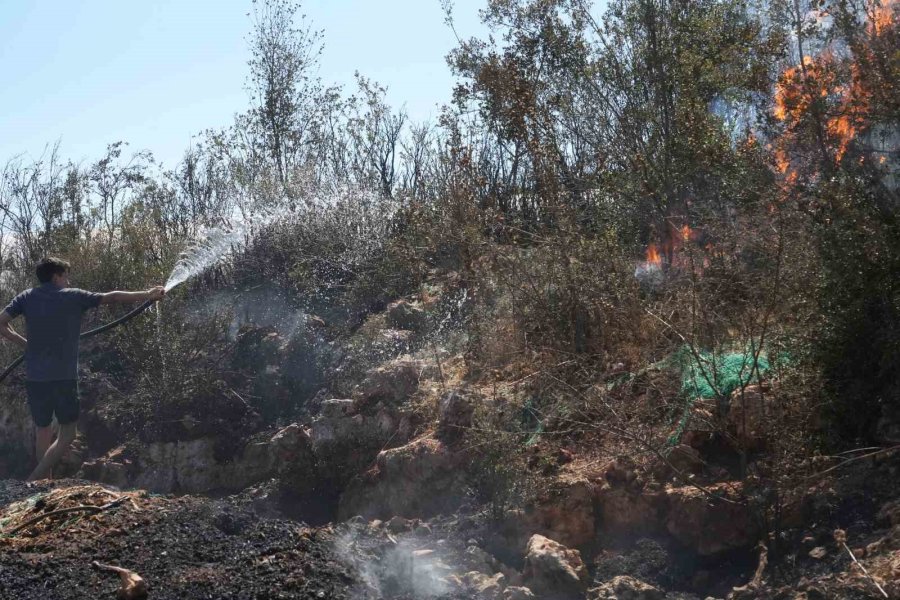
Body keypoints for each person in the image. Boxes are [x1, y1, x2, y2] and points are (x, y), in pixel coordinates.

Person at [0, 257, 165, 480]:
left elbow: (1, 321)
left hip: (35, 378)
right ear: (56, 276)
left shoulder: (27, 297)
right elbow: (112, 297)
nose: (68, 281)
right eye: (65, 276)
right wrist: (147, 294)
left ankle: (42, 484)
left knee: (43, 430)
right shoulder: (72, 296)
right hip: (62, 377)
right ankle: (35, 479)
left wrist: (24, 344)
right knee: (68, 434)